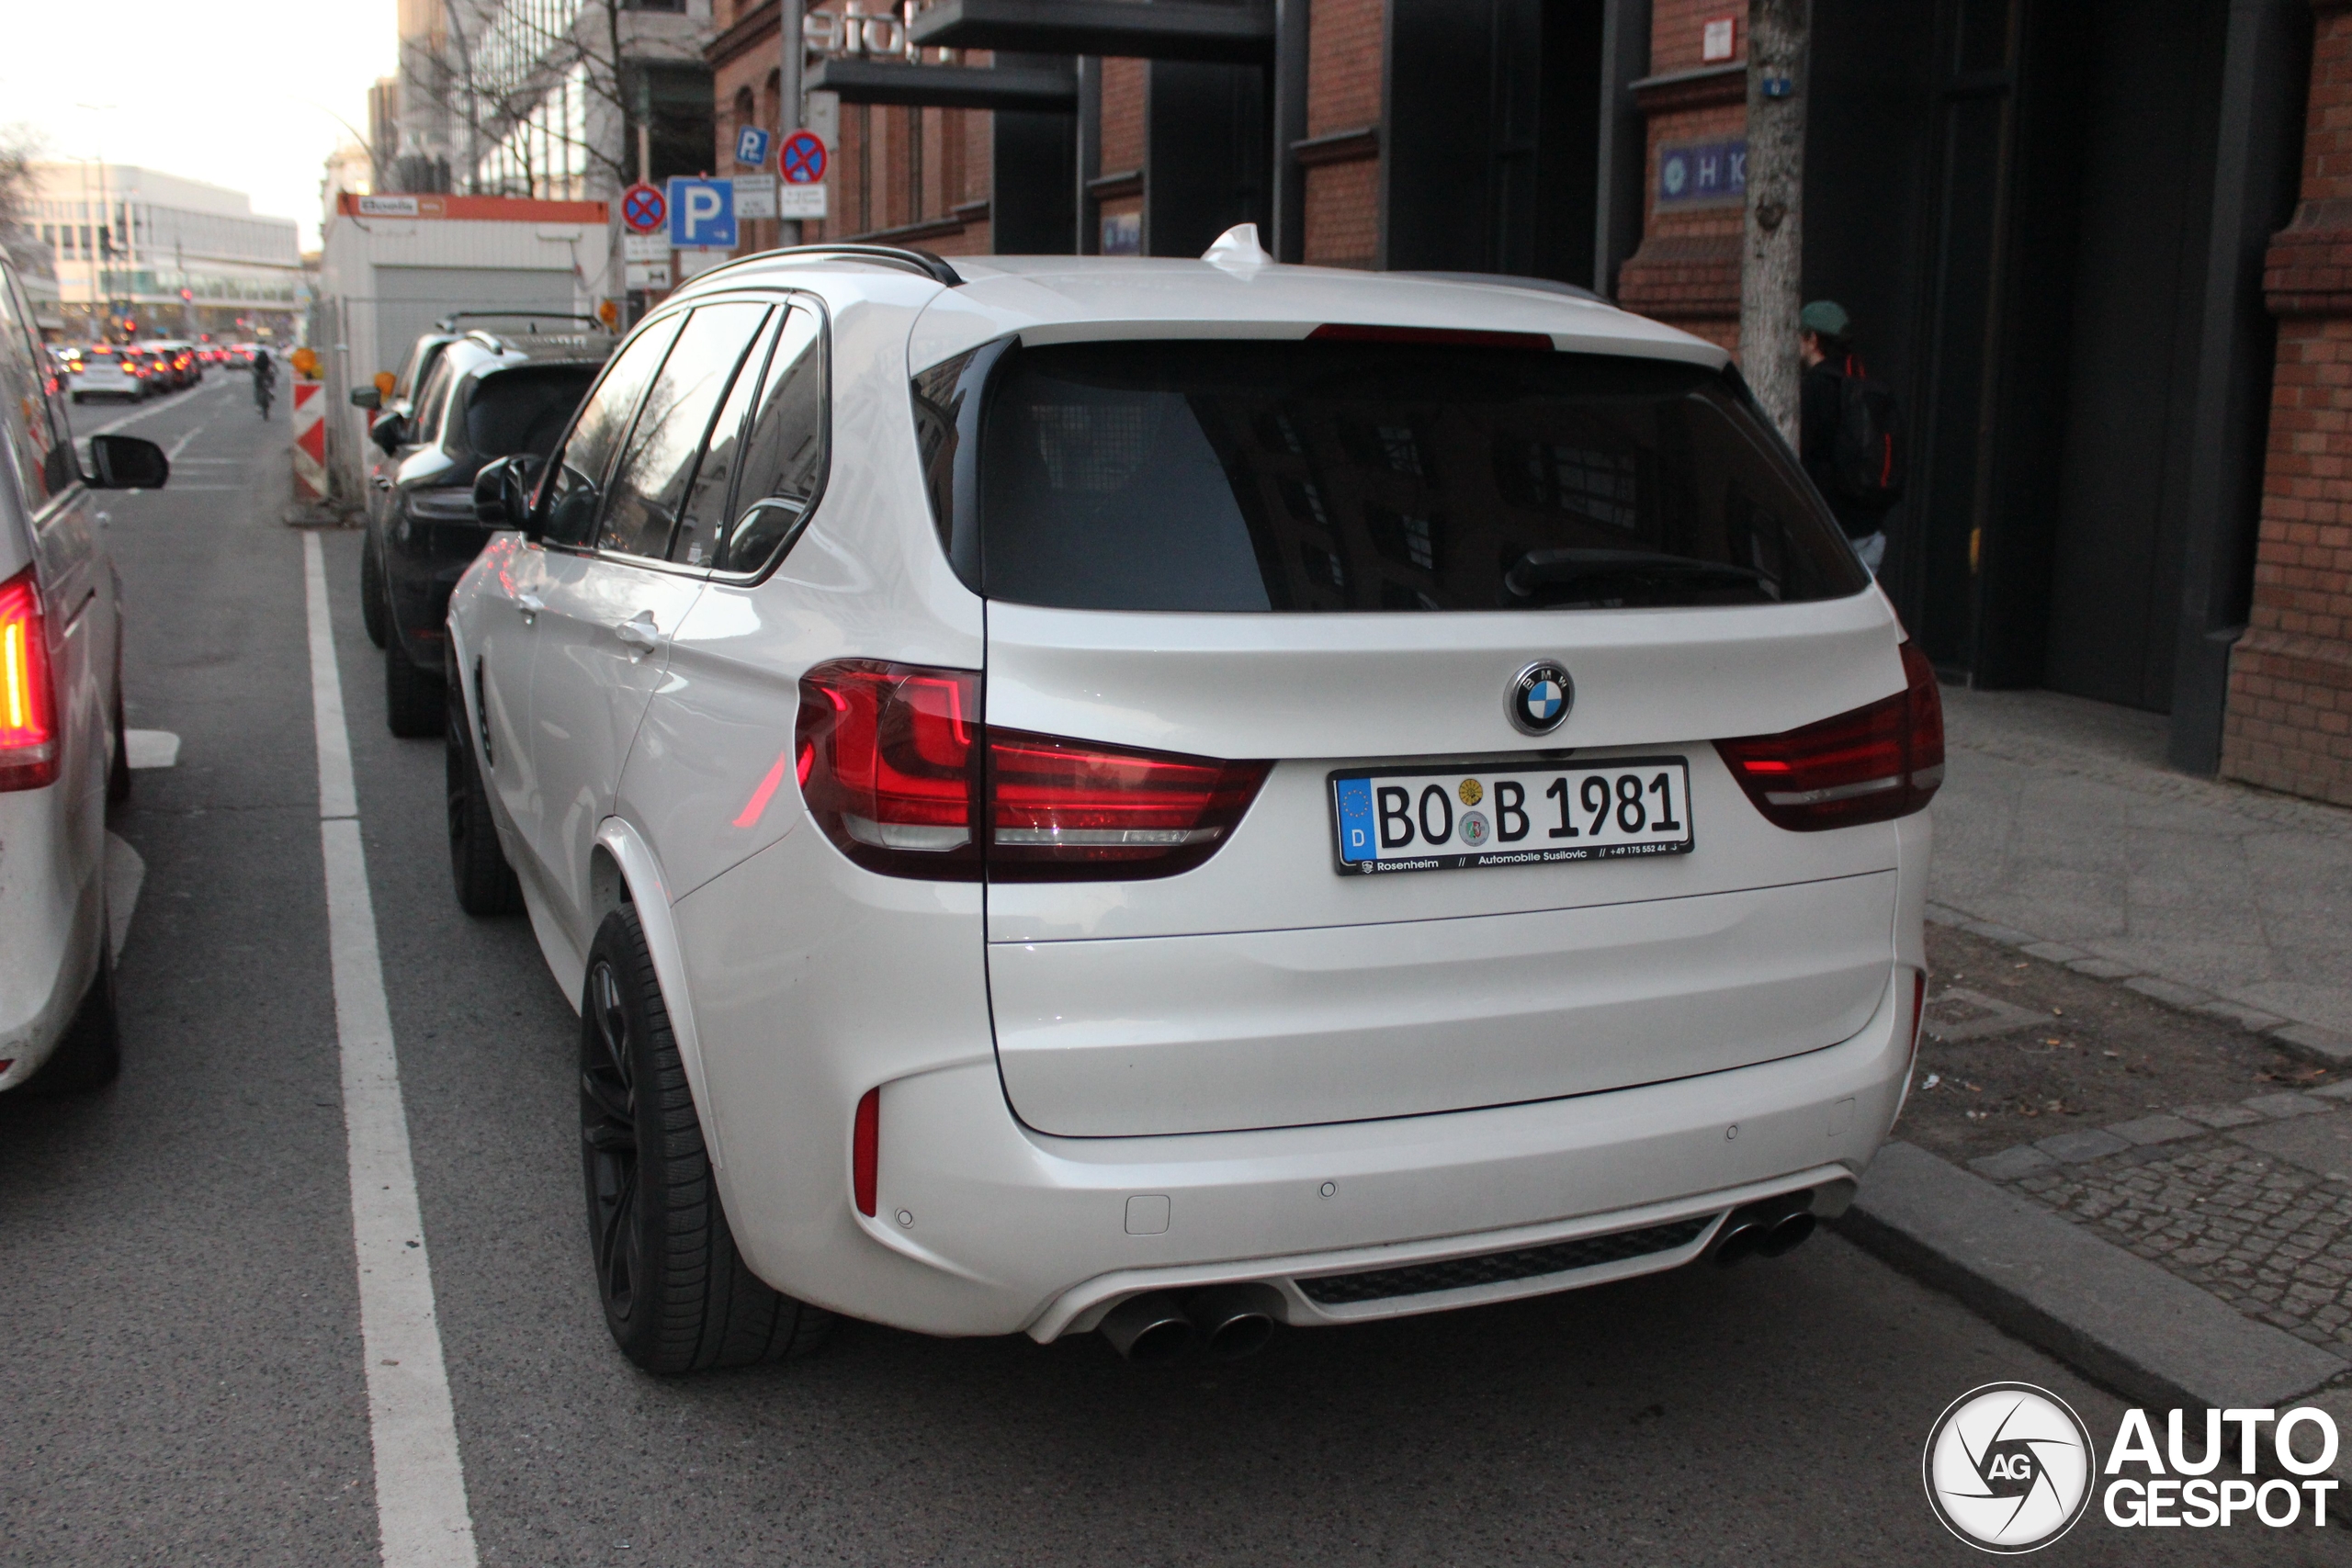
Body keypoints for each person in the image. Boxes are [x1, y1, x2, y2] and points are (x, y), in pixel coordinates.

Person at [1796, 299, 1894, 577]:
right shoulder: (1864, 385)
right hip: (1869, 532)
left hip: (1826, 532)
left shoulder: (1814, 387)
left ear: (1812, 339)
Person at [251, 344, 276, 419]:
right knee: (271, 384)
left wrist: (253, 371)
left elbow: (253, 366)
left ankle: (258, 405)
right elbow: (273, 366)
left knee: (257, 389)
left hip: (259, 376)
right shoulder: (268, 359)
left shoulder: (257, 359)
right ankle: (271, 392)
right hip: (267, 374)